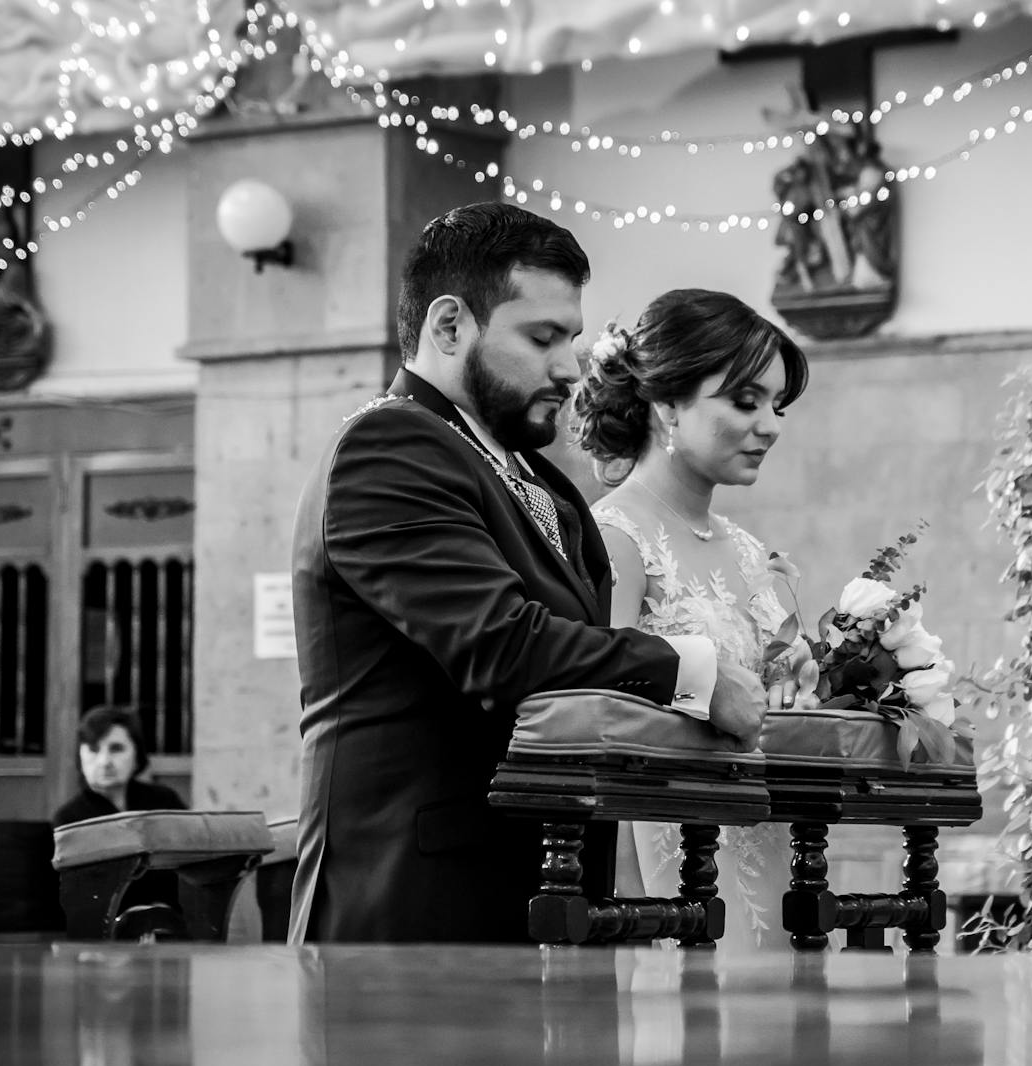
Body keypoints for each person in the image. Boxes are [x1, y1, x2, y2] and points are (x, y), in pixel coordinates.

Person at [289, 204, 767, 944]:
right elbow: (502, 645)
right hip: (415, 904)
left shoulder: (534, 476)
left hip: (545, 885)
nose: (569, 367)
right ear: (450, 327)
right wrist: (691, 669)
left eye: (571, 338)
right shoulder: (388, 447)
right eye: (541, 337)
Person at [572, 288, 812, 952]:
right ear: (668, 406)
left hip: (770, 845)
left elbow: (768, 698)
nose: (770, 425)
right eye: (745, 401)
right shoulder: (613, 536)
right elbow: (597, 696)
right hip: (668, 860)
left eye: (776, 404)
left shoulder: (745, 548)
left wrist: (797, 679)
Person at [51, 705, 185, 827]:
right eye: (94, 750)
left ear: (137, 755)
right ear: (80, 756)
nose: (104, 762)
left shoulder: (165, 803)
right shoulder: (69, 821)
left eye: (116, 749)